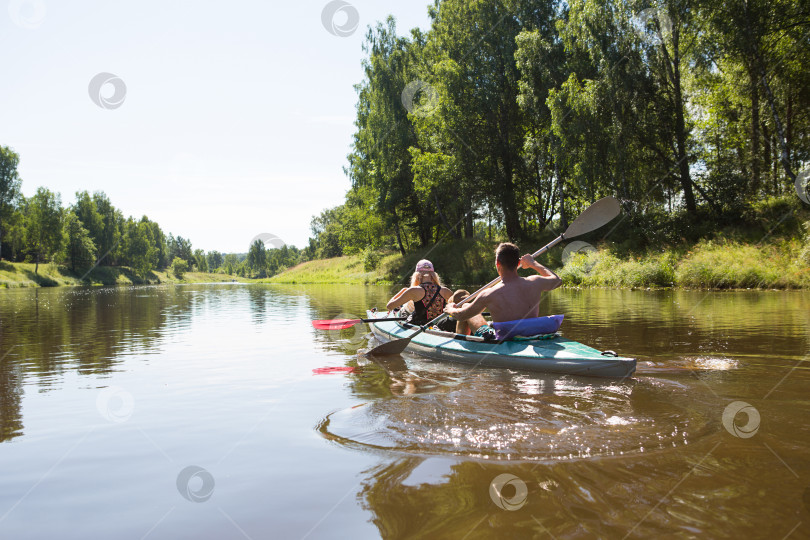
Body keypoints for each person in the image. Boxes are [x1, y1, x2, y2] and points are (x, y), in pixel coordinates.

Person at [444, 243, 561, 339]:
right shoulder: (535, 282)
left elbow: (462, 316)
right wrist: (533, 264)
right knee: (467, 307)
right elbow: (557, 280)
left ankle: (461, 345)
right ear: (518, 263)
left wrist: (451, 309)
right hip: (532, 334)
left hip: (505, 338)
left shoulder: (489, 294)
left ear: (497, 263)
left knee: (465, 305)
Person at [386, 259, 453, 328]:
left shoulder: (413, 290)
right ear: (433, 275)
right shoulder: (445, 290)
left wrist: (402, 291)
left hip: (419, 326)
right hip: (438, 326)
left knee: (402, 310)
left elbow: (389, 306)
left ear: (417, 275)